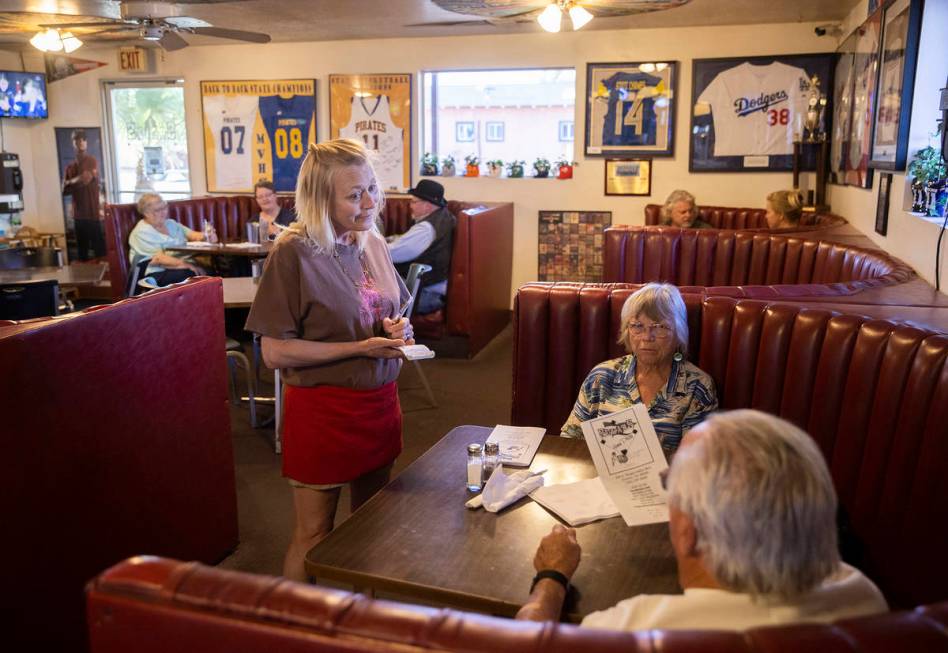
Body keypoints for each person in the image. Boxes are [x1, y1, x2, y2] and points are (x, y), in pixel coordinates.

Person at [518, 409, 888, 630]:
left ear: (687, 530)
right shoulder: (861, 595)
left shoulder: (638, 627)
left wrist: (551, 579)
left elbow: (524, 645)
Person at [245, 138, 413, 582]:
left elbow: (391, 313)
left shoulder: (372, 239)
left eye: (372, 188)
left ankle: (360, 624)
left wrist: (397, 331)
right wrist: (358, 349)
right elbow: (274, 351)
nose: (370, 202)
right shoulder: (293, 250)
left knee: (372, 525)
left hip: (379, 404)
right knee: (315, 532)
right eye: (355, 194)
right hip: (323, 411)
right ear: (321, 198)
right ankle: (299, 631)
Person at [561, 283, 717, 456]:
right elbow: (569, 440)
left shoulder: (697, 386)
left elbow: (694, 462)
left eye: (660, 327)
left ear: (679, 332)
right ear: (627, 331)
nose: (647, 337)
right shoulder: (602, 376)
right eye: (637, 326)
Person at [387, 179, 455, 315]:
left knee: (370, 301)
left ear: (428, 206)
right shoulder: (442, 218)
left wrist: (369, 246)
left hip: (424, 295)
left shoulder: (426, 228)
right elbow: (405, 242)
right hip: (429, 291)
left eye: (414, 202)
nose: (410, 206)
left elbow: (392, 253)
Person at [127, 192, 215, 286]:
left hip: (181, 266)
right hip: (156, 272)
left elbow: (193, 235)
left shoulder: (170, 223)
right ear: (146, 213)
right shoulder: (142, 232)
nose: (164, 212)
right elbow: (158, 259)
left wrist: (207, 235)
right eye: (158, 210)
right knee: (190, 275)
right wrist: (188, 266)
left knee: (214, 270)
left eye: (164, 207)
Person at [62, 129, 105, 261]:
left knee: (100, 252)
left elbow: (85, 178)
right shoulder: (70, 167)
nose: (80, 142)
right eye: (77, 139)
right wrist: (76, 180)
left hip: (93, 215)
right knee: (82, 253)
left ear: (86, 143)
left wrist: (70, 182)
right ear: (73, 143)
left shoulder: (91, 160)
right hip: (78, 216)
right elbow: (64, 191)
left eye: (83, 139)